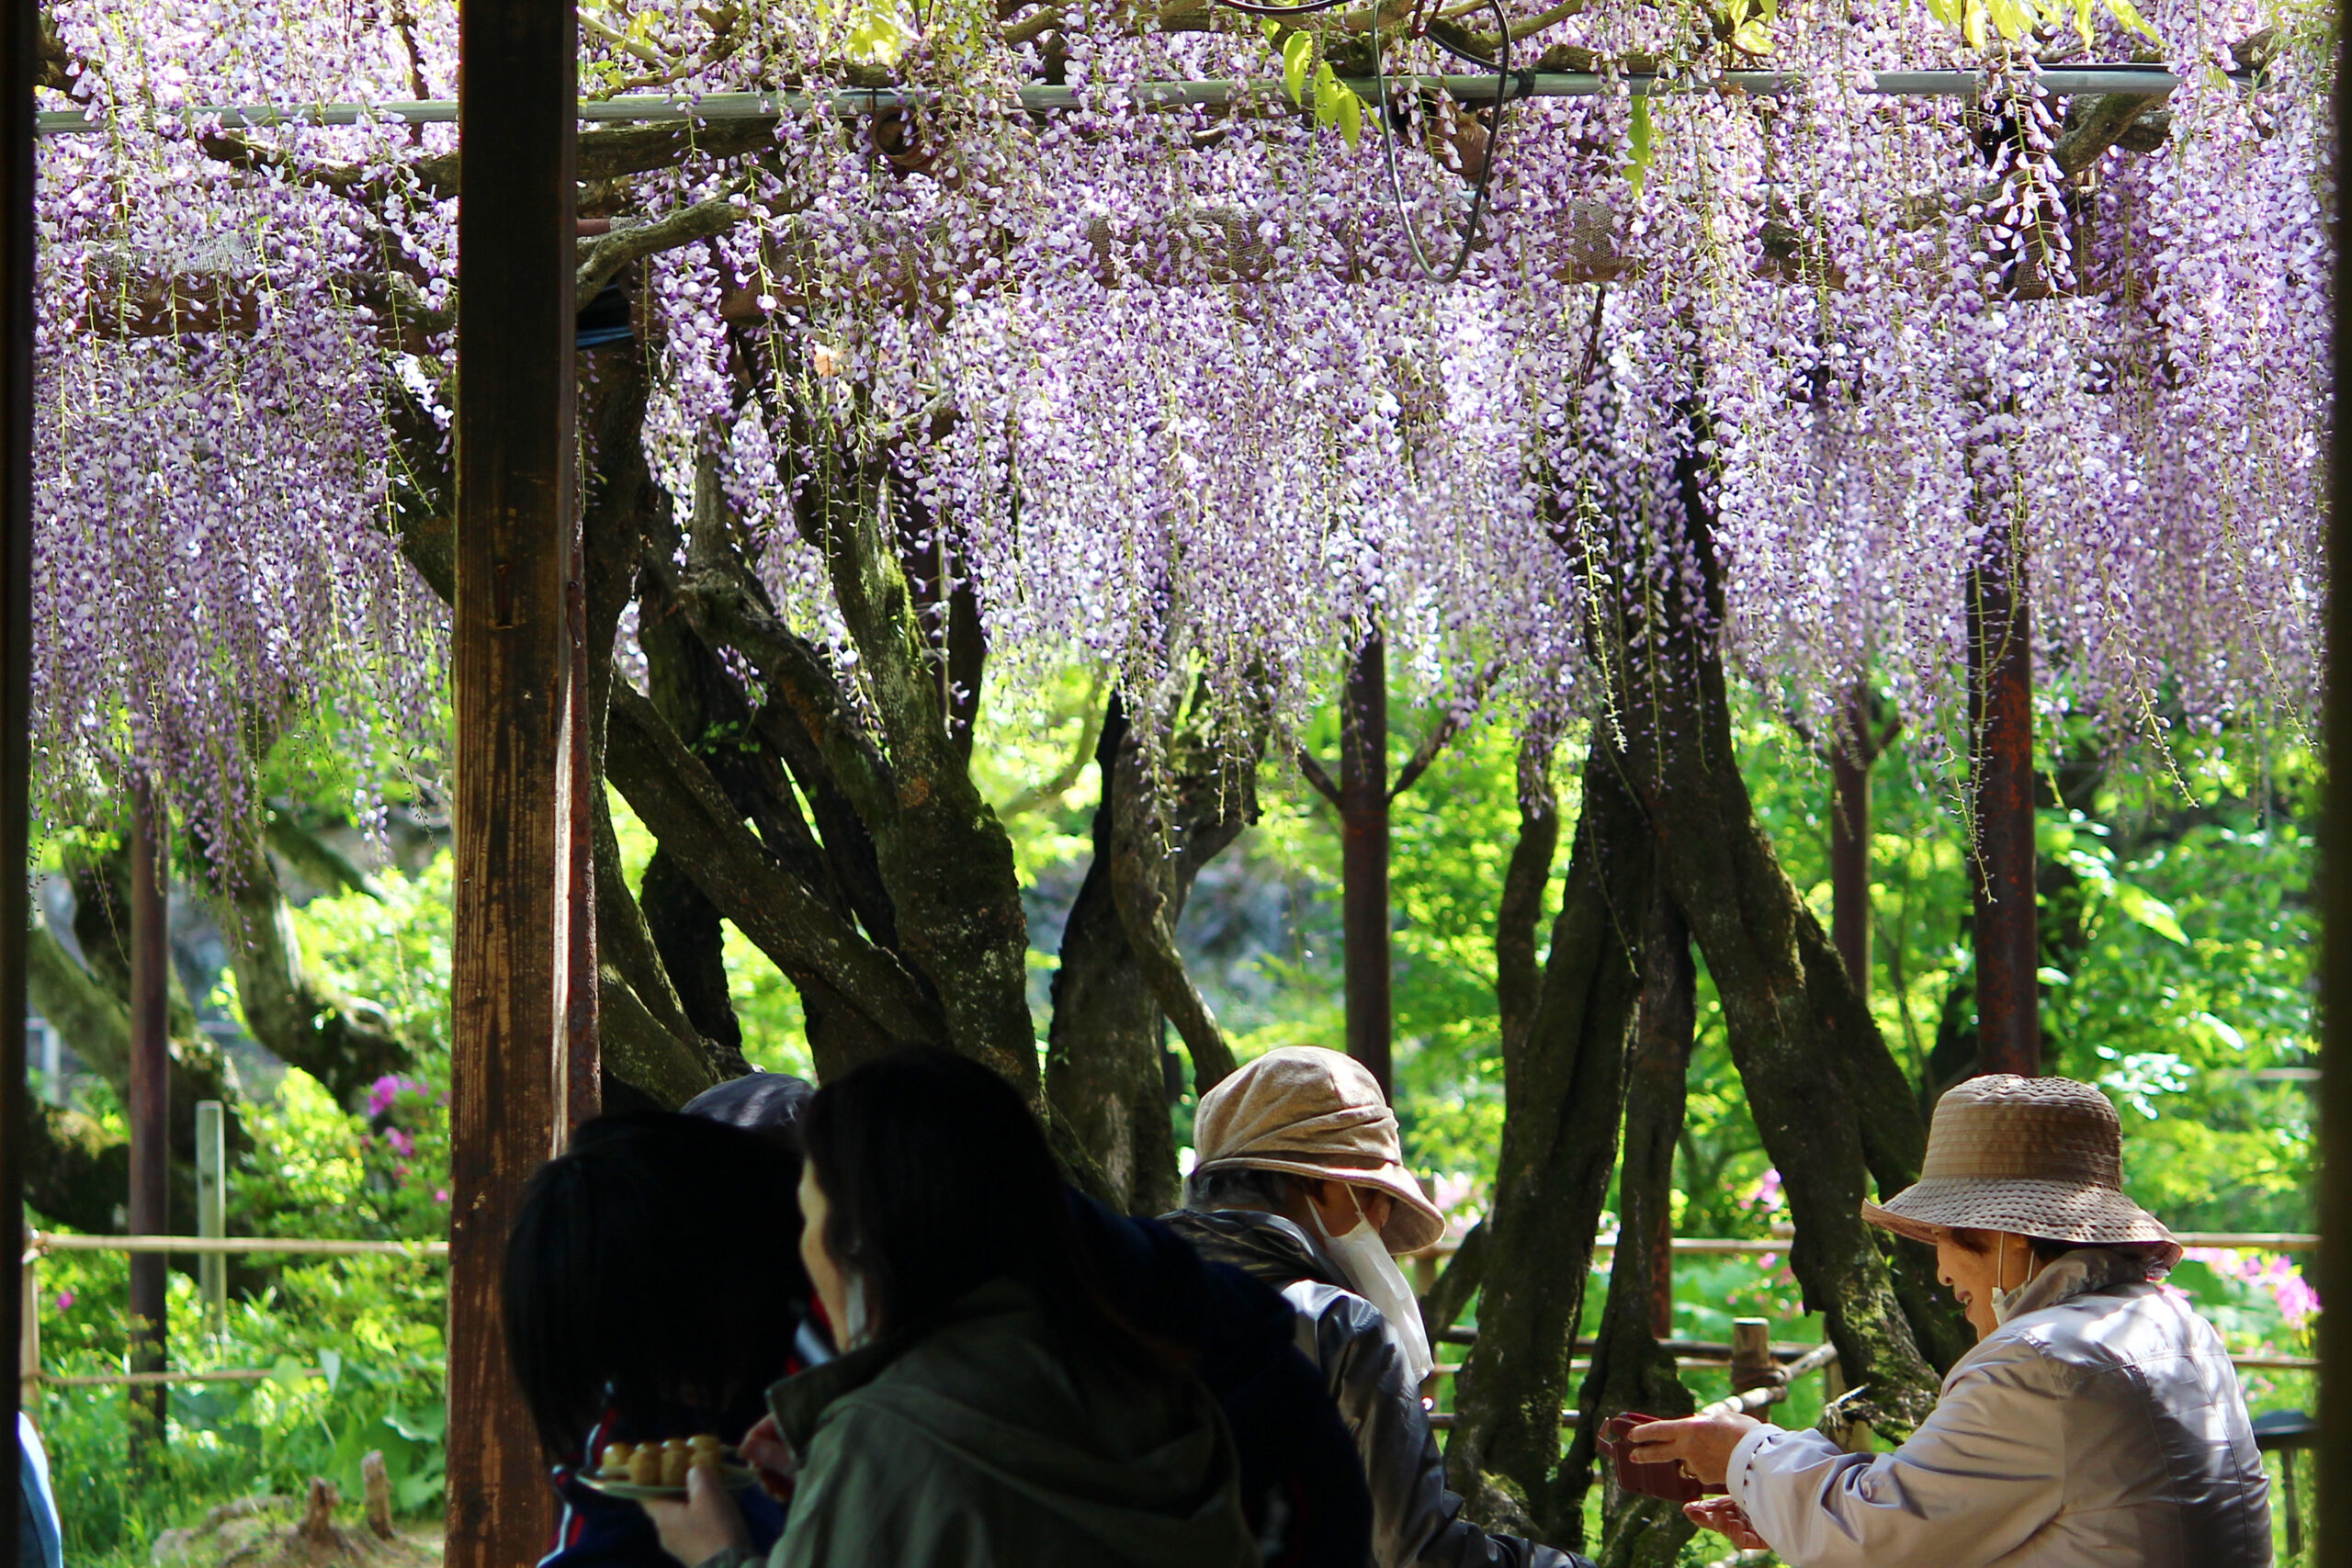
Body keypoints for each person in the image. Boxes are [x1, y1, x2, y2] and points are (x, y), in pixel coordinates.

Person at [1625, 1074, 2273, 1568]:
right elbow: (1950, 1511)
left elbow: (1877, 1533)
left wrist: (1742, 1449)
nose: (1941, 1271)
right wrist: (1776, 1503)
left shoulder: (2042, 1361)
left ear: (2008, 1239)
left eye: (1947, 1239)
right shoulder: (2174, 1325)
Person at [645, 1048, 1260, 1568]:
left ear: (865, 1237)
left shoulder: (882, 1438)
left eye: (809, 1217)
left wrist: (716, 1550)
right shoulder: (1154, 1383)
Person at [1165, 1046, 1588, 1568]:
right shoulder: (1339, 1326)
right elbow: (1417, 1553)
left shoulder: (1109, 1291)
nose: (1383, 1218)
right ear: (1324, 1185)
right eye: (1373, 1192)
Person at [504, 1111, 812, 1568]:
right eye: (629, 1361)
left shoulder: (836, 1369)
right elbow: (597, 1539)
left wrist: (721, 1557)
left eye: (669, 1350)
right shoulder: (640, 1399)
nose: (667, 1385)